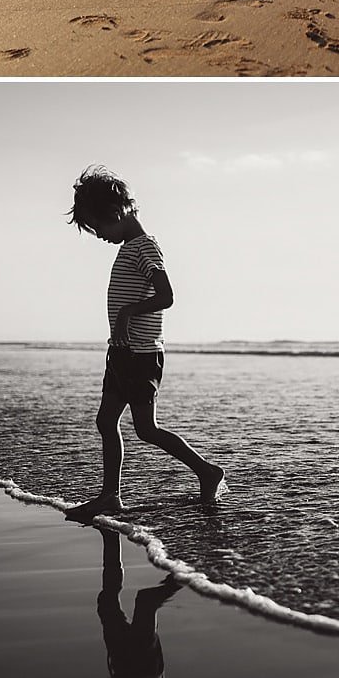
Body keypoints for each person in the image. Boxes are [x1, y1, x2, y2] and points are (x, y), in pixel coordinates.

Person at [68, 166, 224, 521]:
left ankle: (207, 471)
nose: (99, 236)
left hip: (141, 355)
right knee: (106, 422)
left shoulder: (145, 247)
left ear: (117, 212)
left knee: (145, 429)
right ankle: (110, 496)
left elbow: (167, 296)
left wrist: (127, 313)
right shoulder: (129, 247)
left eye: (98, 227)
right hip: (121, 354)